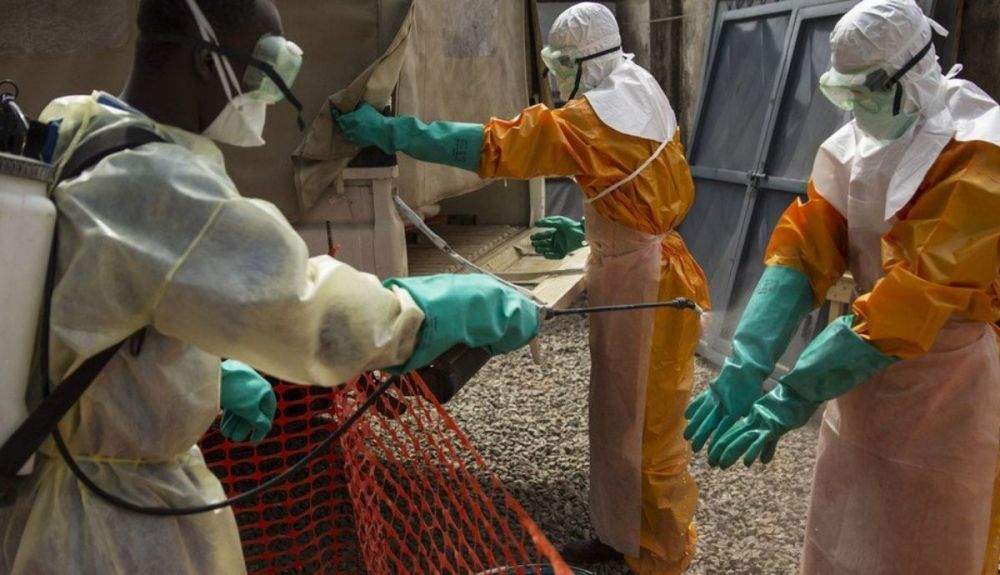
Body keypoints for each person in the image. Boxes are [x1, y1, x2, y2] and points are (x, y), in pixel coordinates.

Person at [0, 0, 539, 572]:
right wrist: (424, 311)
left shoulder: (79, 129)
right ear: (205, 61)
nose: (266, 95)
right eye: (262, 71)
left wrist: (200, 369)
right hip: (111, 530)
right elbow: (307, 312)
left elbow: (91, 298)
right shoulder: (162, 184)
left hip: (43, 493)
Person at [336, 3, 709, 572]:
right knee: (618, 415)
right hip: (644, 263)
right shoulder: (638, 88)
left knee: (647, 430)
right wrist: (595, 228)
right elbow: (646, 182)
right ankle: (620, 538)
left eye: (561, 66)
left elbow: (492, 146)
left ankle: (659, 559)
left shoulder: (591, 120)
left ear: (586, 62)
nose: (556, 78)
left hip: (647, 283)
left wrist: (392, 132)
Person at [684, 1, 1000, 572]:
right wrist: (747, 360)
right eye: (845, 92)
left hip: (946, 383)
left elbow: (913, 296)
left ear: (912, 75)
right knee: (845, 532)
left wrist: (793, 394)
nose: (856, 107)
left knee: (928, 541)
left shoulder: (978, 154)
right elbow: (804, 250)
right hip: (860, 373)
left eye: (867, 91)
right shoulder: (857, 142)